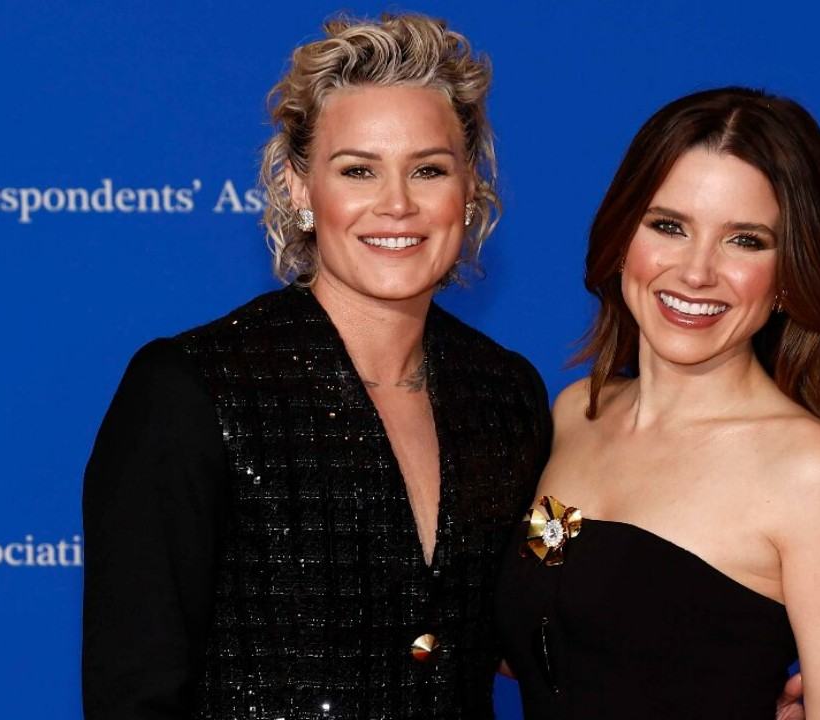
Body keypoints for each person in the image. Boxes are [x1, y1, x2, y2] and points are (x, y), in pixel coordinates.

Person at [81, 14, 552, 720]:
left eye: (428, 169)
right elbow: (135, 692)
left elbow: (544, 625)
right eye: (357, 169)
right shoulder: (191, 389)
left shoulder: (506, 392)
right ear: (300, 189)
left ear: (471, 190)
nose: (397, 203)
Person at [495, 87, 820, 719]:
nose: (697, 272)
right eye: (669, 226)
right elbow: (553, 633)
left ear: (790, 272)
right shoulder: (578, 413)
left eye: (745, 240)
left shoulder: (811, 474)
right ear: (624, 235)